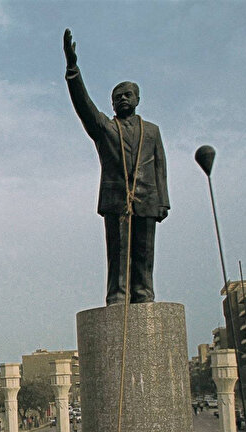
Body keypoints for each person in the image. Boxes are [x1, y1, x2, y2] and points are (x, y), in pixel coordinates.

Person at [63, 29, 169, 305]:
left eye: (127, 95)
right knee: (118, 253)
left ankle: (144, 294)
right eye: (117, 97)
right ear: (111, 103)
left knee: (144, 254)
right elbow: (84, 106)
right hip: (115, 198)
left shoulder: (153, 132)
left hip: (147, 198)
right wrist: (73, 70)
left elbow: (160, 166)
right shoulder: (105, 129)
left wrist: (163, 202)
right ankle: (118, 295)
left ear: (137, 99)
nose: (122, 99)